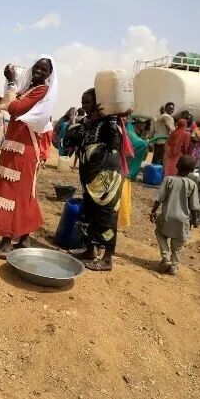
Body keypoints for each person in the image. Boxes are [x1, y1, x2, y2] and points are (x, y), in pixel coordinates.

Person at [0, 57, 58, 258]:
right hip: (16, 147)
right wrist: (4, 101)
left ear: (49, 74)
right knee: (22, 193)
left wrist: (12, 83)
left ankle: (6, 244)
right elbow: (13, 105)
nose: (38, 72)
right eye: (37, 68)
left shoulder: (41, 90)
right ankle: (23, 240)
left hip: (24, 150)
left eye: (43, 70)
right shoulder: (29, 90)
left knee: (12, 194)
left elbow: (16, 108)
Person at [66, 88, 131, 271]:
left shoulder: (110, 123)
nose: (84, 106)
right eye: (82, 102)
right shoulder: (90, 122)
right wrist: (87, 123)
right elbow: (70, 140)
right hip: (90, 179)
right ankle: (89, 250)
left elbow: (113, 146)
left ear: (99, 103)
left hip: (106, 181)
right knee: (89, 213)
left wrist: (105, 120)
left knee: (106, 216)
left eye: (87, 102)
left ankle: (107, 259)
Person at [149, 155, 200, 276]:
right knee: (178, 244)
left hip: (167, 217)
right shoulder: (192, 185)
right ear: (192, 170)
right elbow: (194, 206)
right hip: (183, 220)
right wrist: (195, 220)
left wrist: (153, 211)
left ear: (177, 165)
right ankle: (174, 266)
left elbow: (159, 198)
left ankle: (166, 256)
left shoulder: (168, 180)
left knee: (160, 233)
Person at [118, 113, 148, 228]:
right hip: (120, 172)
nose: (124, 119)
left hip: (121, 172)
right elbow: (139, 144)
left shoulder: (128, 131)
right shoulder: (127, 131)